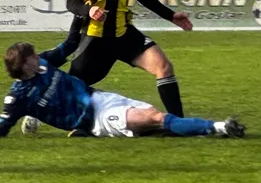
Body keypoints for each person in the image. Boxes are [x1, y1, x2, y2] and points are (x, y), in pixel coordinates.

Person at [1, 32, 244, 139]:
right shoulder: (18, 97)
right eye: (31, 56)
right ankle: (220, 127)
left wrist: (84, 15)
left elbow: (70, 44)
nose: (37, 56)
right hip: (99, 118)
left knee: (157, 123)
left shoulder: (43, 63)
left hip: (102, 99)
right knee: (156, 118)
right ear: (23, 66)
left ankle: (205, 130)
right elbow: (3, 127)